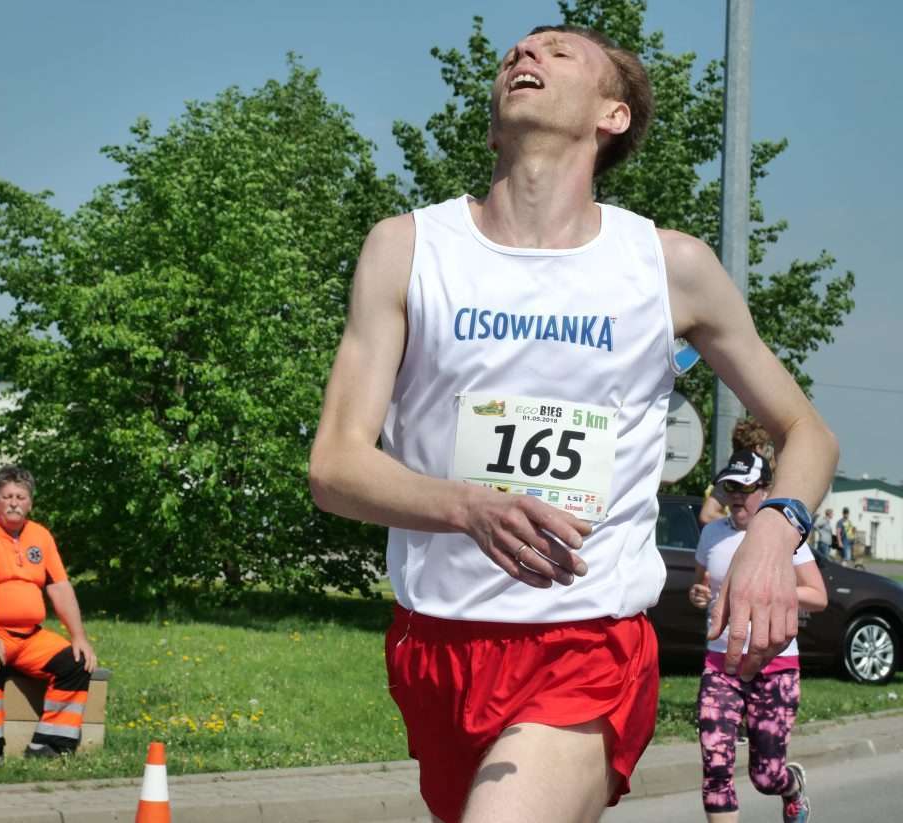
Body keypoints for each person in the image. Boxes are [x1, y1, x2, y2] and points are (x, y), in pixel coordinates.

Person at [308, 23, 837, 823]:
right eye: (516, 53)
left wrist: (773, 533)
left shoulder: (669, 265)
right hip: (435, 644)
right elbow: (335, 466)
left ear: (612, 115)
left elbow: (808, 432)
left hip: (588, 644)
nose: (525, 56)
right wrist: (468, 506)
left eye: (559, 52)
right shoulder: (407, 248)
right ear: (494, 126)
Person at [689, 450, 827, 822]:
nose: (736, 495)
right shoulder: (712, 534)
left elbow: (818, 596)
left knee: (766, 776)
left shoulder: (786, 538)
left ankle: (791, 786)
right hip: (721, 664)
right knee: (716, 767)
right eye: (730, 487)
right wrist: (698, 594)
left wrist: (770, 587)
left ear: (764, 490)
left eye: (745, 487)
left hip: (775, 666)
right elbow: (701, 585)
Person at [0, 465, 97, 758]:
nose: (14, 503)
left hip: (29, 636)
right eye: (7, 497)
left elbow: (60, 588)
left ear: (30, 504)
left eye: (21, 497)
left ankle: (50, 745)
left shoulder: (41, 535)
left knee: (76, 662)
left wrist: (79, 637)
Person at [698, 418, 774, 527]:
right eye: (766, 448)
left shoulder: (765, 474)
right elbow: (707, 515)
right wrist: (739, 525)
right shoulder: (730, 478)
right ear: (758, 448)